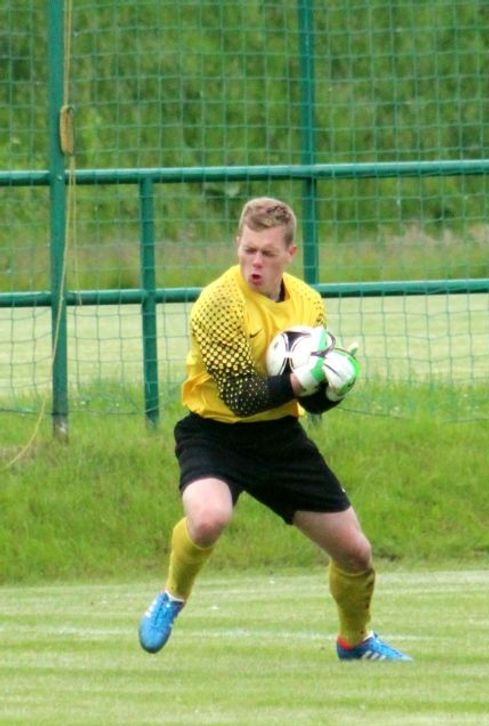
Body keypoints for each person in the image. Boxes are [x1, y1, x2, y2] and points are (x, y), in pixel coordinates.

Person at [137, 197, 411, 661]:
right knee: (208, 519)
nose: (255, 263)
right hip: (214, 433)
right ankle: (172, 595)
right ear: (237, 245)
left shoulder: (308, 303)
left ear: (290, 254)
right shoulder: (217, 304)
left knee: (356, 554)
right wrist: (305, 378)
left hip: (280, 438)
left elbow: (309, 399)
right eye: (248, 250)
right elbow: (240, 398)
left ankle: (355, 640)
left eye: (267, 252)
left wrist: (335, 386)